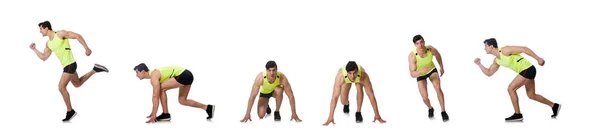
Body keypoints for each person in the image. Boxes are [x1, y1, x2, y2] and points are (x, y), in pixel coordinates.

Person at [30, 21, 109, 122]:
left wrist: (86, 48)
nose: (40, 31)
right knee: (77, 84)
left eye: (41, 29)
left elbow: (77, 36)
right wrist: (34, 49)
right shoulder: (48, 43)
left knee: (61, 87)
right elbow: (44, 57)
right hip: (68, 66)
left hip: (70, 65)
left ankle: (70, 111)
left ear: (46, 28)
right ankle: (95, 70)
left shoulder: (60, 34)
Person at [474, 38, 561, 121]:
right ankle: (554, 106)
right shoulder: (497, 60)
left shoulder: (504, 50)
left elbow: (524, 49)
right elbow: (489, 73)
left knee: (511, 88)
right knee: (531, 95)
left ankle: (517, 114)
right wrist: (479, 64)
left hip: (528, 69)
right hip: (526, 71)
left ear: (491, 46)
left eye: (486, 46)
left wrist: (538, 58)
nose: (484, 48)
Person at [133, 63, 215, 123]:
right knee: (182, 100)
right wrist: (153, 112)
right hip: (188, 75)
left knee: (160, 89)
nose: (136, 75)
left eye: (137, 72)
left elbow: (155, 96)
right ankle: (207, 107)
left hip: (183, 75)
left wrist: (154, 114)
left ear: (143, 71)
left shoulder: (154, 75)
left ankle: (166, 114)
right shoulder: (155, 75)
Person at [323, 61, 386, 126]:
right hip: (346, 80)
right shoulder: (340, 77)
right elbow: (335, 97)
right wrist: (330, 116)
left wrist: (377, 114)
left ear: (357, 71)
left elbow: (371, 95)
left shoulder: (363, 75)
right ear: (347, 72)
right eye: (350, 73)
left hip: (359, 78)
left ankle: (358, 112)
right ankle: (346, 104)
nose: (352, 76)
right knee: (343, 101)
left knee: (359, 88)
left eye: (354, 73)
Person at [407, 35, 450, 122]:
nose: (420, 45)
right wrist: (421, 71)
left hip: (431, 70)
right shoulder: (412, 55)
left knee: (438, 88)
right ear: (415, 45)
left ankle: (443, 111)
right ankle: (430, 108)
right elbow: (412, 74)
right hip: (420, 73)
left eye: (422, 42)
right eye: (418, 43)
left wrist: (441, 67)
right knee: (425, 98)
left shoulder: (430, 49)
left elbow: (438, 56)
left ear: (424, 42)